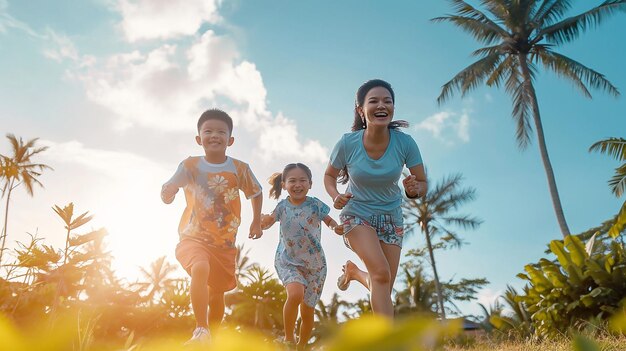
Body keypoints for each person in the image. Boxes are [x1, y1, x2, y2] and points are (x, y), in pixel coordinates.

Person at [323, 79, 427, 318]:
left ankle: (356, 273)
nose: (382, 105)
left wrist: (413, 188)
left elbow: (421, 184)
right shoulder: (348, 143)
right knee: (381, 273)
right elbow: (329, 175)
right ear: (361, 110)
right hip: (357, 214)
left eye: (387, 101)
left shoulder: (405, 143)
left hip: (391, 218)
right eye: (374, 101)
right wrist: (336, 195)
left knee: (383, 284)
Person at [161, 109, 263, 344]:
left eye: (221, 131)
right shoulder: (190, 165)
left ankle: (212, 338)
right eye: (208, 131)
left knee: (217, 294)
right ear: (199, 139)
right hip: (193, 237)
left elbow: (256, 193)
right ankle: (201, 329)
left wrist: (256, 220)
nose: (214, 135)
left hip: (224, 243)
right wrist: (167, 193)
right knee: (200, 268)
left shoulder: (240, 168)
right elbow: (170, 188)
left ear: (230, 140)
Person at [261, 163, 341, 347]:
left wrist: (336, 227)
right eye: (292, 181)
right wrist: (261, 222)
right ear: (284, 184)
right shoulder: (282, 207)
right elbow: (269, 221)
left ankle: (302, 346)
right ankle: (289, 339)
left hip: (315, 266)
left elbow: (329, 220)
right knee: (295, 294)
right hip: (288, 261)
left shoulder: (315, 204)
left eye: (302, 180)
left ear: (310, 184)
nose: (298, 184)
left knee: (307, 311)